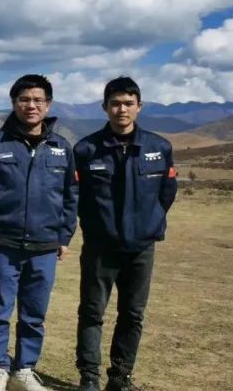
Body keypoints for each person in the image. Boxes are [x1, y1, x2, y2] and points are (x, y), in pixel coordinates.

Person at [0, 75, 78, 391]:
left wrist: (64, 236)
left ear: (48, 105)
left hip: (45, 245)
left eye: (38, 100)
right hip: (3, 242)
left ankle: (25, 369)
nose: (31, 105)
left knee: (34, 312)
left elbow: (70, 195)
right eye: (24, 99)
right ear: (14, 103)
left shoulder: (61, 148)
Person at [73, 77, 177, 391]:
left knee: (132, 315)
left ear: (139, 107)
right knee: (92, 312)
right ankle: (89, 378)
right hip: (100, 248)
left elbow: (166, 193)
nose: (122, 109)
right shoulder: (87, 149)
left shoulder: (158, 148)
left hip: (141, 248)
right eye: (116, 103)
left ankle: (120, 378)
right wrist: (96, 227)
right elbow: (77, 197)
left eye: (129, 103)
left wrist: (148, 224)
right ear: (105, 107)